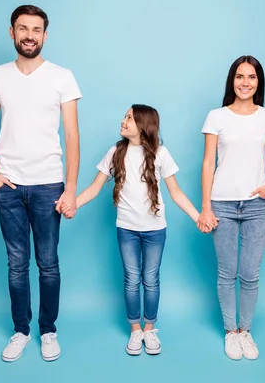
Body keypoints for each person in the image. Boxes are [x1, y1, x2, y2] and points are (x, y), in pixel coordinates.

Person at [59, 104, 209, 356]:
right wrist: (72, 203)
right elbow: (95, 188)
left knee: (150, 279)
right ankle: (135, 330)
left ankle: (149, 330)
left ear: (143, 125)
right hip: (126, 229)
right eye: (125, 116)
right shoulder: (115, 152)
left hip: (155, 230)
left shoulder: (161, 153)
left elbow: (176, 192)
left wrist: (198, 217)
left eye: (129, 117)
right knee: (131, 279)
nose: (123, 120)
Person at [0, 4, 81, 363]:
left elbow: (71, 135)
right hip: (9, 185)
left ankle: (48, 330)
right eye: (23, 28)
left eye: (36, 29)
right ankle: (21, 330)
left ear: (45, 35)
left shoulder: (62, 76)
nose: (30, 35)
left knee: (48, 263)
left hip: (50, 184)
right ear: (12, 32)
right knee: (16, 263)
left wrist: (70, 189)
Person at [198, 55, 265, 360]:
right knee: (227, 271)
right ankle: (230, 332)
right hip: (221, 203)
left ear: (258, 82)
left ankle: (245, 331)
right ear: (231, 80)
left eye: (252, 77)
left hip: (258, 205)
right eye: (240, 77)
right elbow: (208, 164)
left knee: (249, 273)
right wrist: (206, 207)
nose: (245, 83)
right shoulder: (216, 117)